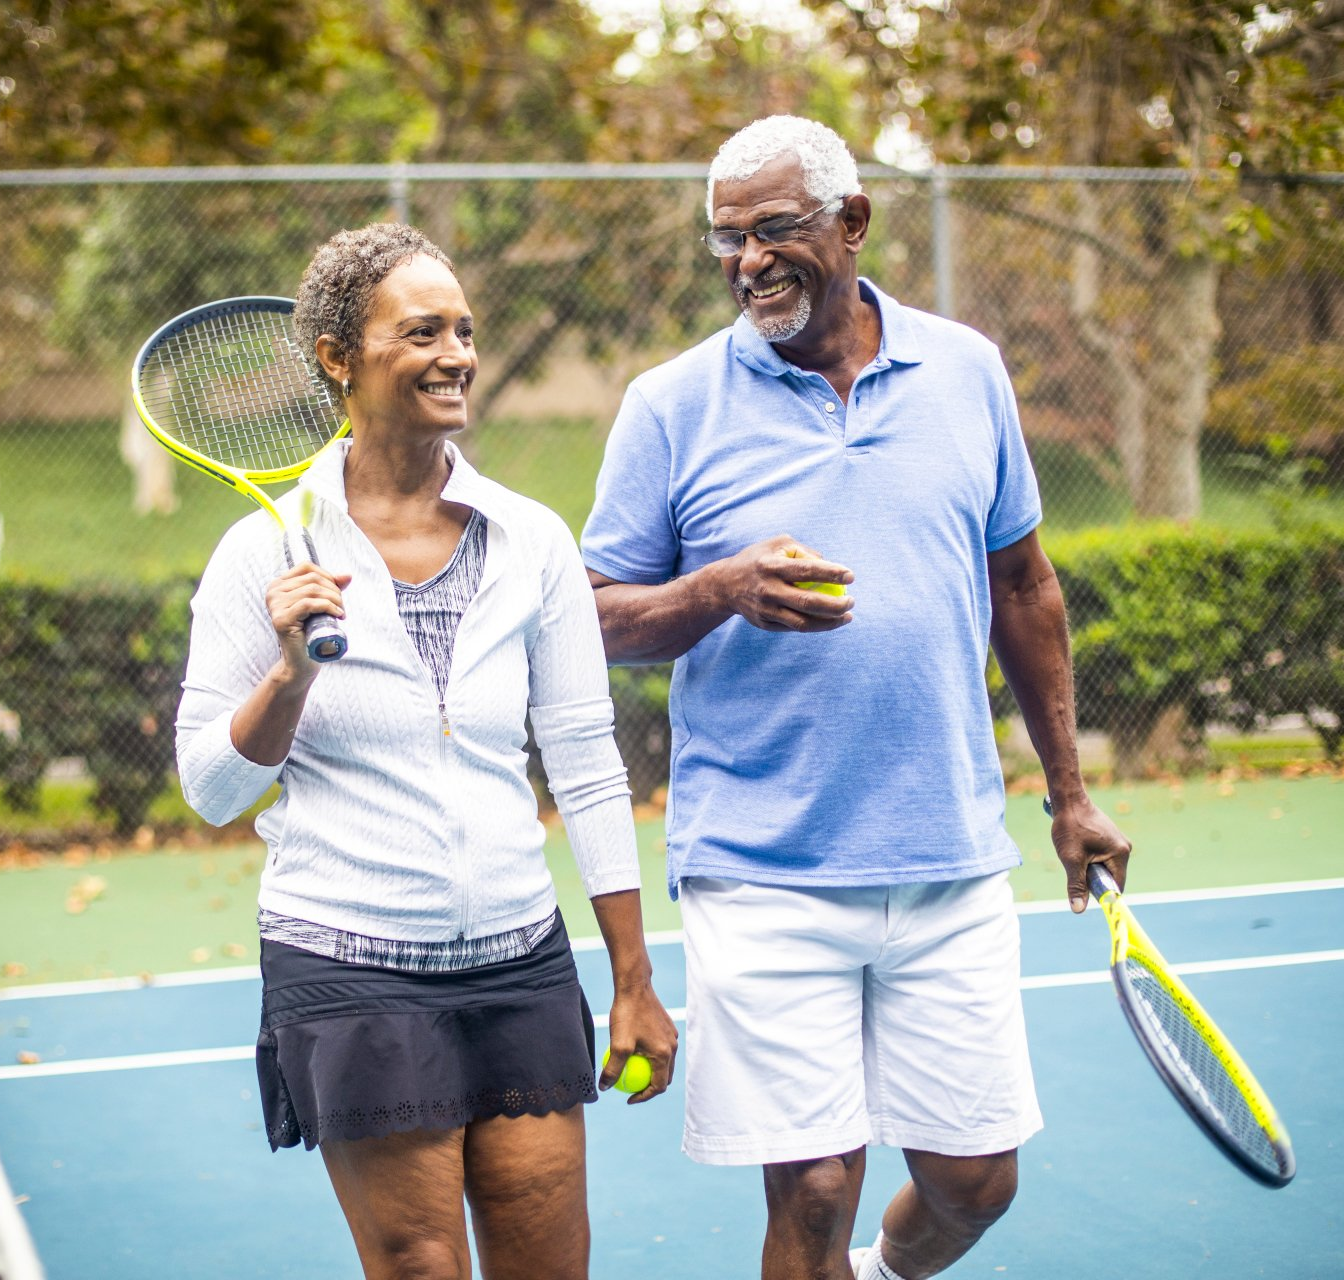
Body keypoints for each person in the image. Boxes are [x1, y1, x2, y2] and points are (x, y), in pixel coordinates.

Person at [580, 116, 1132, 1280]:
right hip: (761, 864)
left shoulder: (967, 370)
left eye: (774, 229)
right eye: (726, 238)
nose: (748, 260)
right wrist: (719, 590)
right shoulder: (669, 404)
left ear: (854, 221)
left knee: (975, 1181)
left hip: (947, 850)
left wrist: (1069, 794)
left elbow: (1023, 583)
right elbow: (588, 616)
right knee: (817, 1190)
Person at [175, 222, 677, 1280]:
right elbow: (212, 788)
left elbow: (586, 758)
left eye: (464, 330)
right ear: (337, 357)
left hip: (519, 956)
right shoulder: (261, 551)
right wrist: (290, 673)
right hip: (348, 962)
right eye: (422, 332)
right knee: (420, 1266)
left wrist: (633, 977)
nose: (456, 354)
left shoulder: (532, 537)